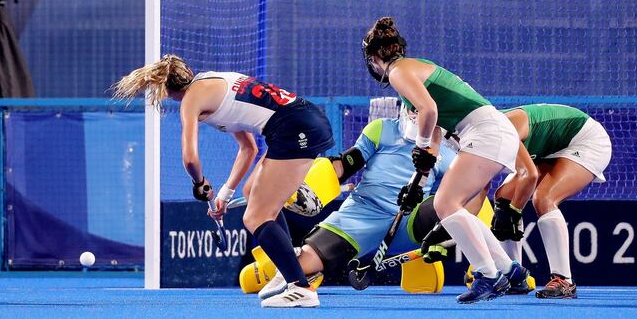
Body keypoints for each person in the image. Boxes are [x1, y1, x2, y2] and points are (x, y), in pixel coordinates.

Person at [112, 55, 334, 308]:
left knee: (255, 218)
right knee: (252, 192)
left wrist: (199, 182)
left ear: (166, 90)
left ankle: (300, 287)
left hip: (293, 129)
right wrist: (224, 195)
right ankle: (287, 269)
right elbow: (248, 148)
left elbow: (190, 158)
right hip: (302, 119)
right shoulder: (213, 81)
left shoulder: (190, 100)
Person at [360, 17, 530, 303]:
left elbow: (429, 111)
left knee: (445, 204)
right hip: (491, 130)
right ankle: (510, 271)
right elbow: (436, 129)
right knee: (453, 204)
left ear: (374, 58)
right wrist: (420, 179)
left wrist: (421, 146)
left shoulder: (397, 72)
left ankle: (488, 275)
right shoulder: (414, 66)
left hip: (485, 131)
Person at [252, 98, 481, 299]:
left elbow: (468, 195)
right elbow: (345, 165)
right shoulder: (381, 129)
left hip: (409, 224)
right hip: (360, 215)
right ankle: (267, 266)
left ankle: (483, 268)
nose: (417, 116)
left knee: (454, 197)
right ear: (404, 108)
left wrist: (442, 233)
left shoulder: (449, 154)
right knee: (298, 269)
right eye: (414, 109)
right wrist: (306, 185)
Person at [491, 103, 612, 299]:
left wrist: (513, 211)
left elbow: (528, 175)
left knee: (543, 198)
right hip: (549, 148)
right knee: (503, 199)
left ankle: (565, 281)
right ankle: (514, 278)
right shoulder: (481, 138)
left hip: (586, 140)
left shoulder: (504, 129)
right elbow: (480, 189)